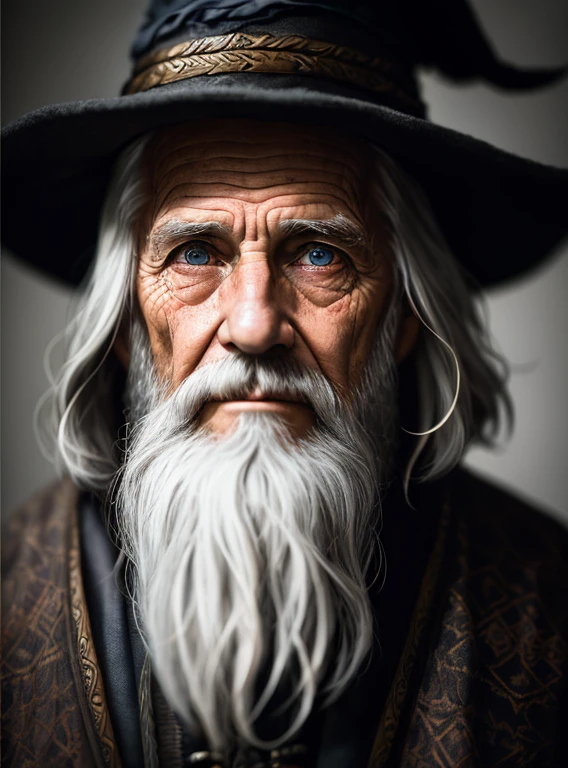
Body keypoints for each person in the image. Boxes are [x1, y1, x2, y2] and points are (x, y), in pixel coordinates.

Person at [2, 1, 568, 767]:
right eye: (196, 253)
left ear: (405, 314)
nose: (254, 324)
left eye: (319, 254)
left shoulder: (550, 607)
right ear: (129, 326)